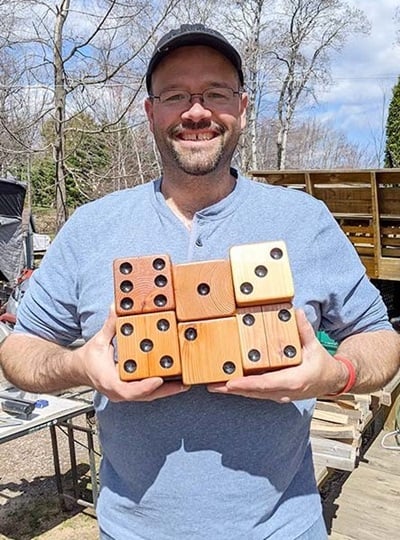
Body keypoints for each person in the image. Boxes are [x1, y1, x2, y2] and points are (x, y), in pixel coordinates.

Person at [0, 23, 399, 540]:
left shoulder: (306, 220)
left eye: (216, 93)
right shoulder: (91, 227)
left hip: (285, 528)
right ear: (150, 112)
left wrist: (335, 375)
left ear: (243, 107)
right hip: (131, 531)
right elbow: (19, 350)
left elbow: (382, 338)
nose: (197, 111)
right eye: (175, 95)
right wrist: (79, 366)